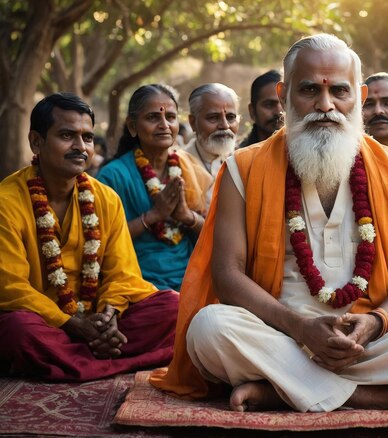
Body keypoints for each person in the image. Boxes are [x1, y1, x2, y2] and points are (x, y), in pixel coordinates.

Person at [150, 34, 388, 413]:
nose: (326, 105)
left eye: (339, 91)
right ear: (284, 91)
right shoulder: (243, 167)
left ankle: (282, 389)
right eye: (309, 90)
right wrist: (299, 327)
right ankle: (369, 396)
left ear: (358, 93)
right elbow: (227, 274)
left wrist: (376, 321)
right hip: (279, 333)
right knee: (209, 329)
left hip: (369, 336)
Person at [0, 93, 178, 381]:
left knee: (172, 307)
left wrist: (109, 316)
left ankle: (73, 361)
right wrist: (71, 323)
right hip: (44, 322)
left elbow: (122, 274)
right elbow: (10, 288)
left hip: (97, 321)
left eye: (87, 137)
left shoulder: (105, 198)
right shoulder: (6, 202)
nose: (80, 147)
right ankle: (109, 359)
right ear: (36, 142)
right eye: (67, 135)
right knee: (17, 330)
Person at [98, 84, 212, 291]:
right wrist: (153, 216)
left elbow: (214, 235)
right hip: (138, 282)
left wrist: (187, 216)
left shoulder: (190, 167)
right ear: (132, 126)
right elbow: (101, 243)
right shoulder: (112, 175)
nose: (164, 124)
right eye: (152, 118)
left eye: (170, 117)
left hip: (192, 278)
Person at [184, 83, 240, 205]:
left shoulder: (245, 161)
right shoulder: (179, 165)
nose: (225, 125)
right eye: (213, 117)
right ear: (193, 122)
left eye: (230, 117)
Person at [238, 69, 283, 147]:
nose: (279, 112)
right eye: (269, 105)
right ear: (252, 111)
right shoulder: (239, 157)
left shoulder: (305, 154)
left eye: (285, 103)